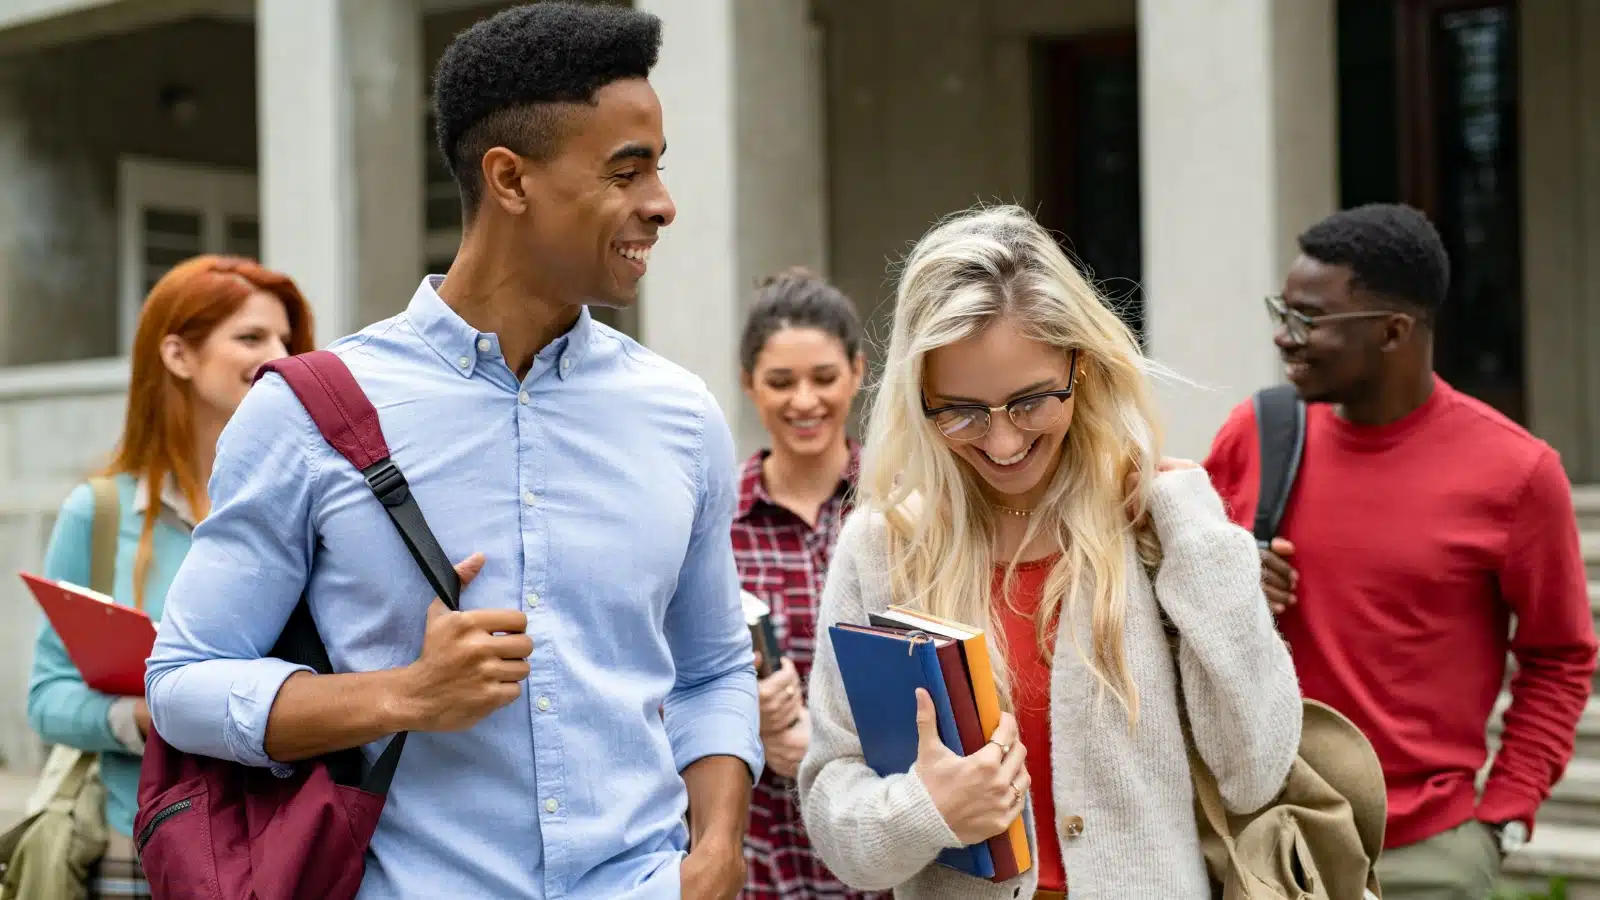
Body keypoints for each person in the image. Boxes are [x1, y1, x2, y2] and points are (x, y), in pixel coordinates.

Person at [144, 5, 760, 899]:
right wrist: (403, 695)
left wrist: (717, 852)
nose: (662, 203)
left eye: (658, 168)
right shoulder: (303, 415)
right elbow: (185, 684)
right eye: (628, 171)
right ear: (509, 179)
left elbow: (712, 668)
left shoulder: (681, 414)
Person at [796, 205, 1302, 899]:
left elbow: (1256, 769)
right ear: (921, 398)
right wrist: (925, 809)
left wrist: (1198, 535)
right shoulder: (884, 548)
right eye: (962, 410)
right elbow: (836, 815)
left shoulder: (1157, 528)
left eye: (1031, 401)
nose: (1002, 444)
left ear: (1081, 367)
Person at [1203, 203, 1598, 900]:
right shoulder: (1256, 435)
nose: (1283, 337)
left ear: (1393, 332)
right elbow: (1167, 593)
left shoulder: (1516, 473)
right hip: (1268, 839)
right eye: (1283, 310)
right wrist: (1228, 583)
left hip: (1422, 858)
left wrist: (1502, 817)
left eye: (1307, 319)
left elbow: (1560, 657)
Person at [27, 255, 313, 898]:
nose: (280, 355)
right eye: (252, 337)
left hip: (285, 841)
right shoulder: (100, 515)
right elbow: (46, 700)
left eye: (286, 340)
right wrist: (153, 712)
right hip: (145, 841)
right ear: (178, 355)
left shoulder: (305, 505)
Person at [731, 268, 884, 900]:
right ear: (748, 385)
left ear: (857, 371)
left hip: (885, 850)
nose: (804, 401)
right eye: (780, 382)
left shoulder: (900, 509)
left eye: (823, 378)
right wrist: (749, 723)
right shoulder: (715, 525)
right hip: (764, 856)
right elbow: (662, 681)